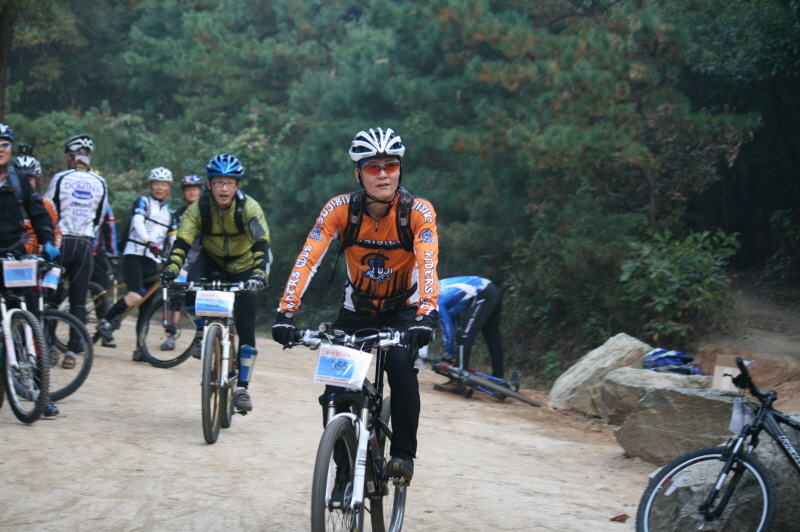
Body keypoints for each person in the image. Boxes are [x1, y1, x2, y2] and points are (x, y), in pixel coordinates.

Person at [271, 127, 439, 486]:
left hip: (404, 311)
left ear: (400, 170)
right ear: (358, 174)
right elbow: (308, 259)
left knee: (400, 367)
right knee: (335, 390)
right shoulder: (340, 209)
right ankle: (344, 470)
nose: (383, 174)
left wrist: (426, 315)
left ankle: (402, 456)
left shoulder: (417, 211)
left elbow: (428, 263)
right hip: (357, 310)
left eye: (391, 166)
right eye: (373, 167)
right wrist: (286, 311)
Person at [160, 155, 271, 412]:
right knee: (189, 291)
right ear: (209, 184)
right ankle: (202, 332)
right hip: (211, 260)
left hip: (244, 265)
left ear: (237, 185)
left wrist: (258, 275)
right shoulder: (199, 208)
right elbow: (182, 242)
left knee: (245, 324)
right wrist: (171, 269)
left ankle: (242, 388)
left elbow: (260, 245)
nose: (224, 188)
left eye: (230, 183)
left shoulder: (250, 207)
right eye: (219, 182)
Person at [0, 125, 60, 416]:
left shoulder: (18, 180)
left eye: (5, 143)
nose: (0, 148)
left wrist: (47, 241)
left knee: (31, 318)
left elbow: (39, 213)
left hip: (15, 256)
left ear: (10, 148)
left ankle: (40, 393)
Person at [96, 167, 177, 359]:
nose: (159, 188)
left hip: (152, 261)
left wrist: (176, 258)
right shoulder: (143, 202)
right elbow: (137, 222)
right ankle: (105, 322)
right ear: (150, 185)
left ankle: (140, 348)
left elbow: (173, 239)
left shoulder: (170, 214)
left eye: (163, 184)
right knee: (134, 296)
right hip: (134, 254)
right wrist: (148, 241)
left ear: (169, 188)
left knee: (146, 308)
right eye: (156, 184)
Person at [45, 134, 108, 368]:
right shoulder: (100, 182)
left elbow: (47, 209)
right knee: (78, 300)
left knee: (52, 298)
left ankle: (48, 346)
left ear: (71, 156)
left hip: (60, 243)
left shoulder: (61, 178)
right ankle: (72, 351)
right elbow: (99, 218)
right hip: (84, 244)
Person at [431, 276, 505, 395]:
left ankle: (458, 382)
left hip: (483, 294)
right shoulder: (433, 290)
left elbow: (449, 333)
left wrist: (448, 356)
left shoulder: (435, 301)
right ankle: (499, 379)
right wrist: (451, 350)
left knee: (464, 336)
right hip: (490, 290)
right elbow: (453, 324)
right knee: (491, 337)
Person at [160, 174, 203, 351]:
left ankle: (205, 333)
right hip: (184, 260)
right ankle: (172, 335)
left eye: (195, 189)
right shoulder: (176, 215)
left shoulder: (207, 211)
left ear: (200, 191)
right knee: (178, 293)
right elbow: (173, 240)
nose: (192, 192)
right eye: (188, 190)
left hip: (204, 260)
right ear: (183, 193)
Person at [13, 145, 62, 256]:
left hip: (37, 258)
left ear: (36, 179)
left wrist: (50, 247)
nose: (25, 182)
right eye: (22, 178)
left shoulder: (46, 204)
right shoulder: (7, 201)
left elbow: (56, 232)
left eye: (29, 178)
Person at [90, 202, 118, 343]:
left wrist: (113, 254)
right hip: (75, 251)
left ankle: (104, 331)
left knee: (101, 293)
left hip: (96, 255)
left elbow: (110, 228)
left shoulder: (104, 204)